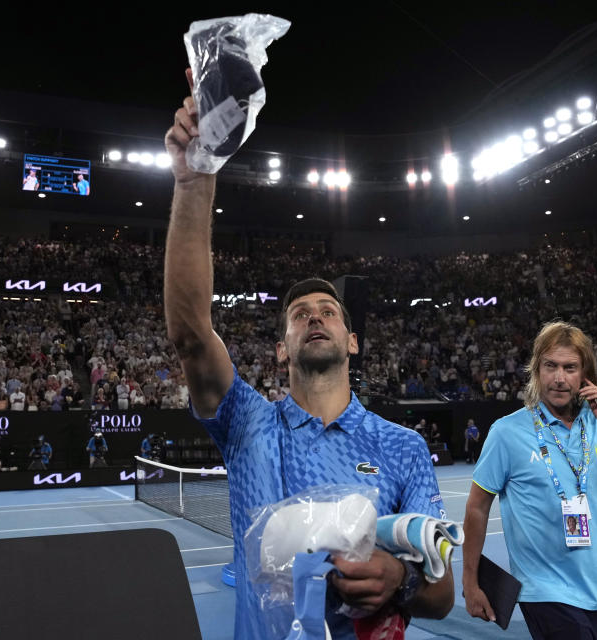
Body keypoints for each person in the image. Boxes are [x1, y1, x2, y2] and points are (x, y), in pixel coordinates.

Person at [163, 68, 454, 640]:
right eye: (299, 315)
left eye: (329, 311)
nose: (314, 315)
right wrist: (194, 180)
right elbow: (192, 334)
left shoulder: (404, 447)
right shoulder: (248, 424)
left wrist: (400, 577)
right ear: (281, 350)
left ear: (352, 341)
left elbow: (443, 594)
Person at [463, 321, 597, 640]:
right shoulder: (507, 432)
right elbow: (476, 509)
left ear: (585, 374)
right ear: (536, 370)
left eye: (570, 368)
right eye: (550, 366)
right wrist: (470, 583)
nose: (559, 378)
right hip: (545, 592)